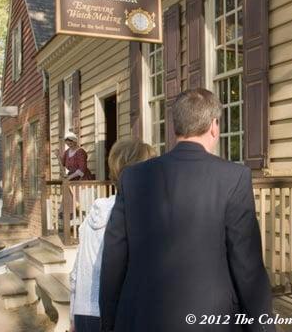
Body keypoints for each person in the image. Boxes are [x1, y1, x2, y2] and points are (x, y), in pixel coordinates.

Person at [100, 88, 275, 332]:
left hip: (141, 318)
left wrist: (108, 324)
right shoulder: (233, 178)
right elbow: (247, 267)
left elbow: (113, 259)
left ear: (174, 129)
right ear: (214, 126)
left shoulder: (133, 177)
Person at [70, 138, 156, 332]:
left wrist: (73, 315)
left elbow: (77, 271)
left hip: (83, 311)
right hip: (114, 314)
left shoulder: (92, 214)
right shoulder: (133, 216)